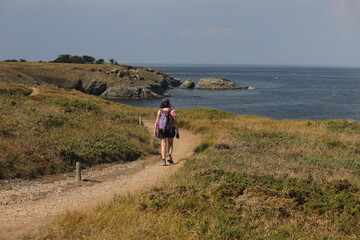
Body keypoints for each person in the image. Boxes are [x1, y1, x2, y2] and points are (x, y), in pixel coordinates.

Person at [154, 99, 180, 166]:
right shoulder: (172, 111)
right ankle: (170, 156)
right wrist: (177, 132)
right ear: (168, 104)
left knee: (163, 144)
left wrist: (155, 130)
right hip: (170, 129)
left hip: (161, 129)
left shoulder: (159, 111)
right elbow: (175, 122)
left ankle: (163, 160)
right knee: (170, 143)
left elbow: (157, 121)